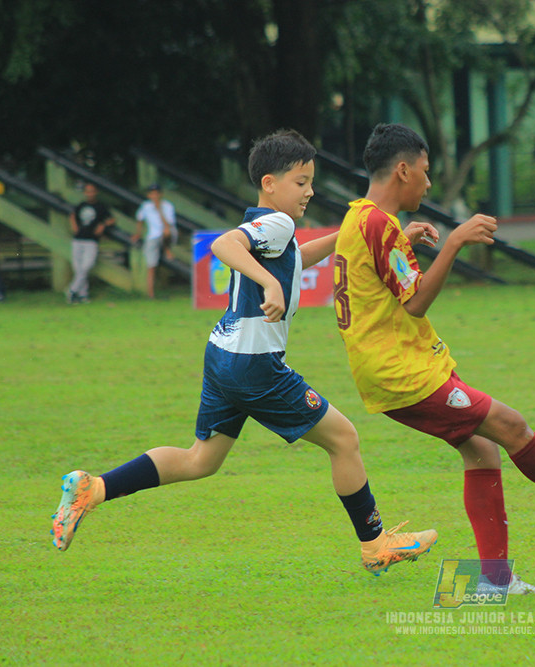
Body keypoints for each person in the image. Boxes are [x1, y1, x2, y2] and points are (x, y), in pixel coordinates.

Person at [52, 129, 437, 576]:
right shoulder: (278, 222)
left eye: (311, 181)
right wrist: (270, 283)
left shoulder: (272, 225)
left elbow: (297, 255)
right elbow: (223, 245)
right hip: (255, 365)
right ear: (269, 183)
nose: (309, 190)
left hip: (222, 355)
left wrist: (368, 234)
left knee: (202, 459)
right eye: (300, 181)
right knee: (344, 439)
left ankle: (92, 488)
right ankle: (375, 544)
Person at [333, 123, 535, 594]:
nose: (428, 182)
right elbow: (416, 301)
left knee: (483, 448)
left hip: (401, 367)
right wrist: (454, 241)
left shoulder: (362, 218)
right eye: (424, 172)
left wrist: (406, 238)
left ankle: (494, 581)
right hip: (402, 374)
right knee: (512, 426)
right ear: (402, 170)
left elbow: (385, 279)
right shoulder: (379, 225)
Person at [67, 182, 115, 304]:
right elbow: (72, 215)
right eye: (88, 191)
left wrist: (102, 225)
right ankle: (83, 295)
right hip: (78, 240)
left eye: (92, 191)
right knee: (78, 269)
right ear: (85, 193)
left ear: (96, 192)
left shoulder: (101, 206)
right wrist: (74, 226)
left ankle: (72, 290)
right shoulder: (81, 205)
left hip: (92, 241)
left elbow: (111, 219)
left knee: (86, 266)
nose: (90, 193)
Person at [132, 183, 177, 298]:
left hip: (166, 234)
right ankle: (150, 294)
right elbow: (139, 220)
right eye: (152, 194)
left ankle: (167, 250)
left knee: (166, 231)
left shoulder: (168, 206)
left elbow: (168, 224)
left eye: (156, 193)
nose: (154, 196)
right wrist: (138, 234)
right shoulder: (145, 206)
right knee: (151, 265)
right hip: (152, 236)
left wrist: (159, 210)